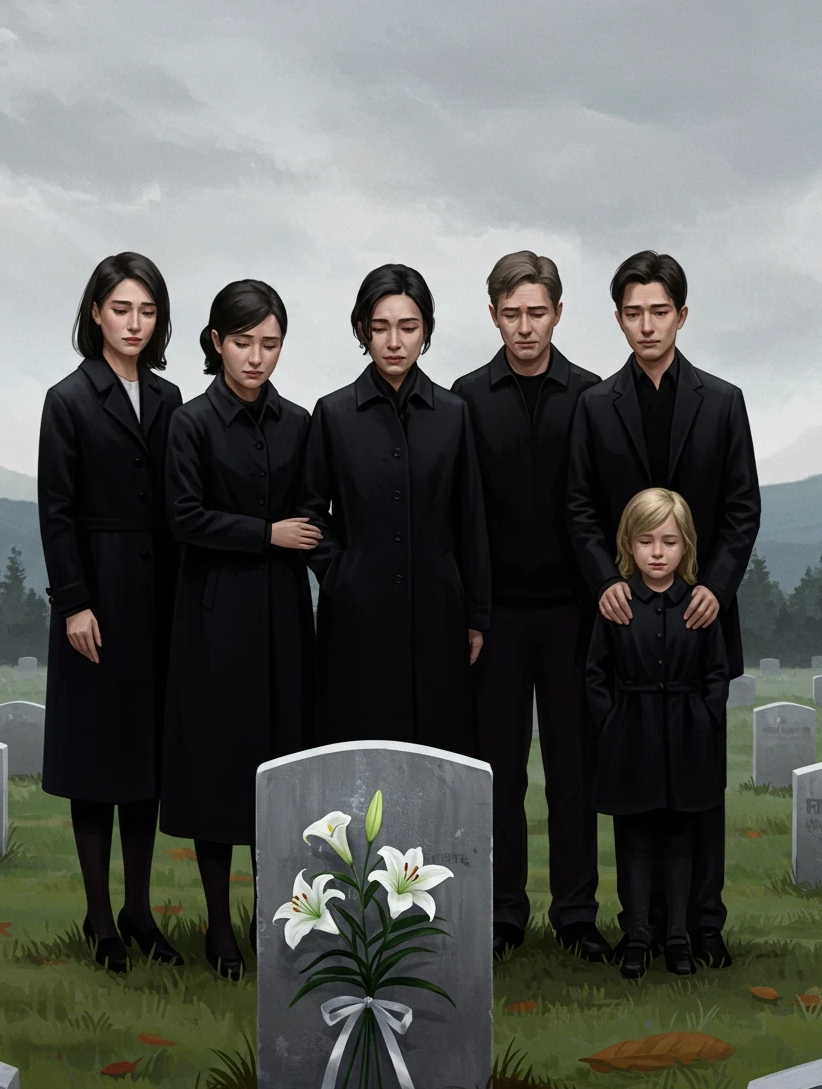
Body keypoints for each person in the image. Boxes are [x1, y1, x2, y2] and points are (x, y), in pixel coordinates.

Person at [568, 250, 760, 968]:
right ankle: (640, 928)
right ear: (618, 318)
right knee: (637, 786)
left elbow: (742, 508)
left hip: (703, 616)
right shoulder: (595, 406)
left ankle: (703, 924)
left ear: (682, 313)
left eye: (659, 311)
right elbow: (580, 507)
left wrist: (717, 584)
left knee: (700, 787)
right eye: (632, 312)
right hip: (624, 618)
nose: (646, 325)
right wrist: (603, 582)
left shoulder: (723, 400)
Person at [452, 252, 611, 963]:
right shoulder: (464, 398)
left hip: (575, 614)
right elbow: (462, 515)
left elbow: (602, 508)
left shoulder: (592, 396)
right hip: (498, 618)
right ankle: (501, 913)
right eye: (511, 314)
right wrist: (472, 612)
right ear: (493, 315)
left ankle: (577, 914)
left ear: (558, 313)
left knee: (574, 769)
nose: (525, 327)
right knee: (499, 770)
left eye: (537, 313)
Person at [161, 280, 317, 979]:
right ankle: (219, 927)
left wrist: (290, 533)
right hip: (216, 613)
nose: (258, 357)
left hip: (284, 613)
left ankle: (275, 916)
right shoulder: (191, 423)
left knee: (279, 767)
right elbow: (184, 518)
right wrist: (266, 532)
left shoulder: (300, 423)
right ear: (216, 343)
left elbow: (313, 509)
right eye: (244, 342)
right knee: (220, 768)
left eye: (271, 343)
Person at [38, 252, 184, 973]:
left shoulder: (169, 396)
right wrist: (74, 603)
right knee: (96, 759)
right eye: (121, 308)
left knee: (143, 763)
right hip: (94, 596)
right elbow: (56, 512)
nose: (133, 323)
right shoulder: (67, 399)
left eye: (146, 311)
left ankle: (138, 909)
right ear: (95, 311)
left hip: (156, 599)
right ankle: (100, 920)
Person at [298, 263, 490, 755]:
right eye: (380, 327)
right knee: (358, 750)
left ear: (425, 329)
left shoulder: (453, 413)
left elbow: (470, 517)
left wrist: (477, 615)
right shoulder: (334, 413)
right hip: (357, 615)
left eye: (408, 327)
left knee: (438, 752)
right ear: (362, 330)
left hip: (439, 612)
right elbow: (311, 512)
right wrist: (342, 573)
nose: (394, 341)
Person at [585, 489, 729, 980]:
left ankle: (678, 939)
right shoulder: (617, 604)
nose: (658, 551)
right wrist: (612, 724)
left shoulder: (701, 605)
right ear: (628, 544)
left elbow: (716, 673)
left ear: (685, 546)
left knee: (681, 839)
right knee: (635, 841)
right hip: (632, 737)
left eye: (669, 541)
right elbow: (596, 674)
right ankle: (639, 935)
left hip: (688, 737)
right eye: (645, 541)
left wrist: (705, 720)